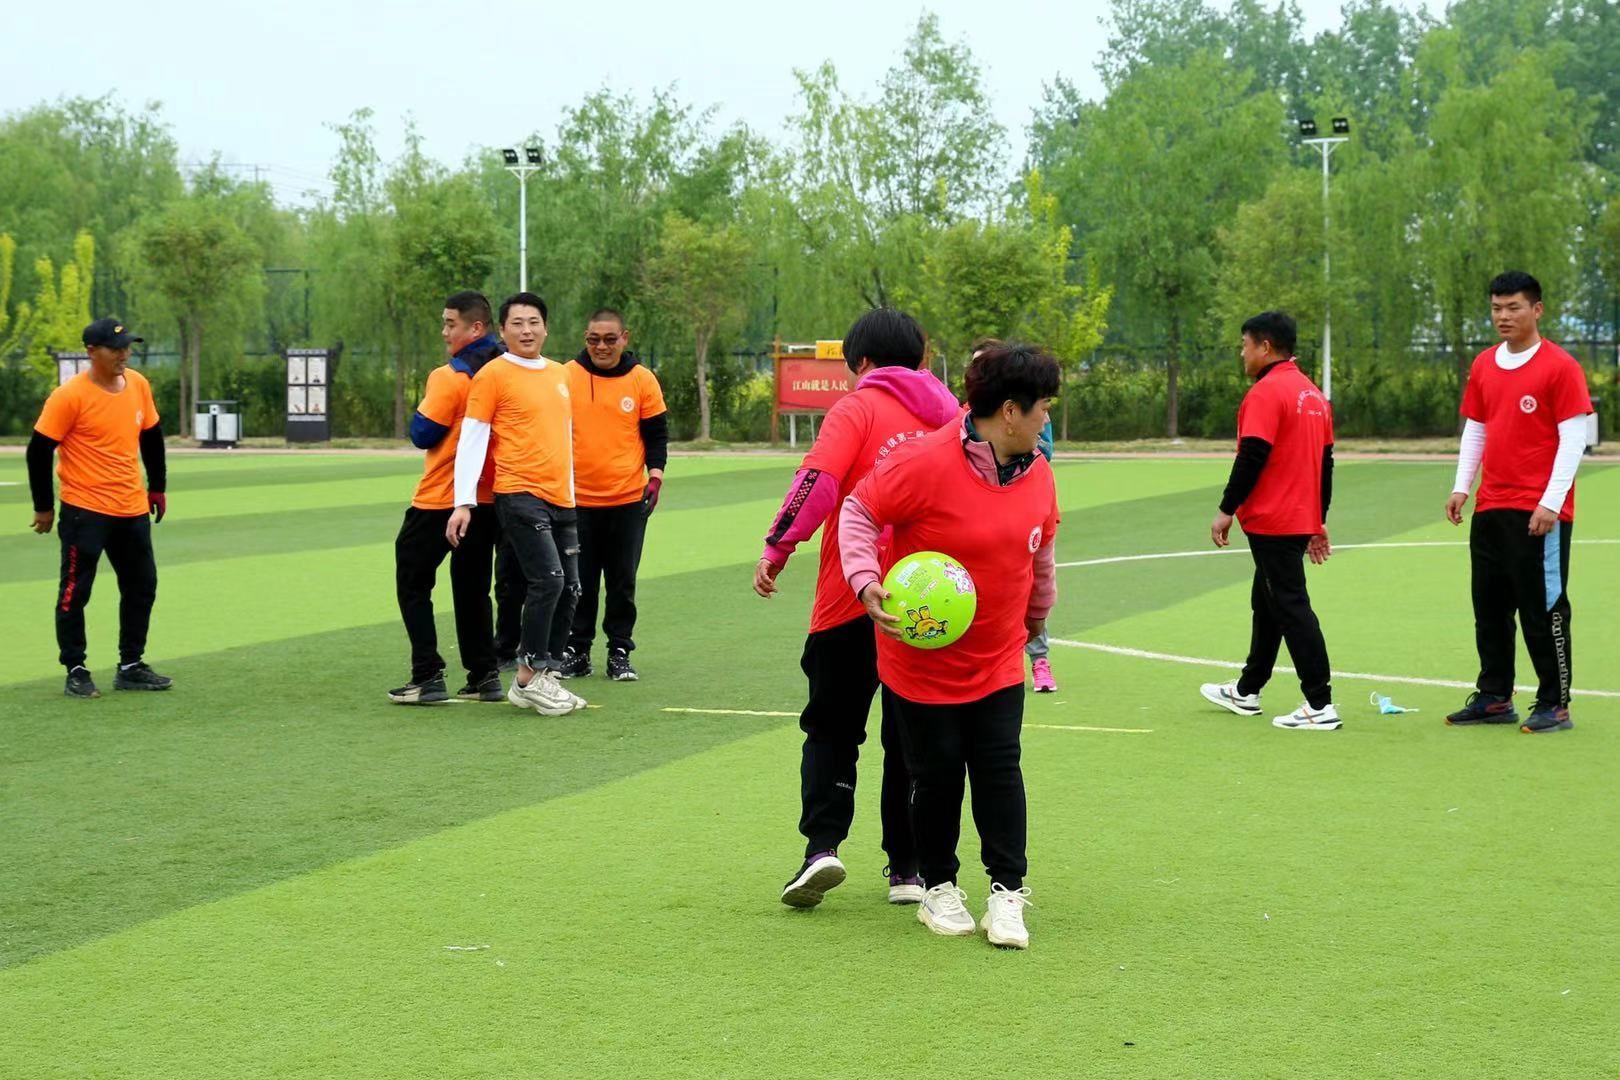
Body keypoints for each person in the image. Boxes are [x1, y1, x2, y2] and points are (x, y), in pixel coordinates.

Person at [840, 342, 1060, 950]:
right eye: (1042, 407)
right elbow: (858, 511)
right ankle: (938, 886)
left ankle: (1007, 893)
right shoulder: (923, 460)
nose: (1048, 418)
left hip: (998, 656)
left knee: (999, 769)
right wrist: (864, 578)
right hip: (921, 661)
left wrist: (1036, 618)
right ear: (1010, 411)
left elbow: (1041, 554)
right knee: (935, 775)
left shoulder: (1040, 472)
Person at [755, 308, 960, 910]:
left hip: (850, 596)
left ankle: (822, 847)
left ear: (862, 362)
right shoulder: (953, 417)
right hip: (927, 605)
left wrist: (779, 546)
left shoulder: (857, 408)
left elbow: (817, 481)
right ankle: (908, 868)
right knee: (911, 739)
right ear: (922, 360)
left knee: (832, 730)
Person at [1444, 271, 1593, 734]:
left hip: (1539, 511)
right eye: (1496, 308)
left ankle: (1554, 702)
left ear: (1536, 310)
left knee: (1543, 608)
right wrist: (1462, 486)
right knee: (1489, 607)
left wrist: (1551, 502)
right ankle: (1494, 696)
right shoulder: (1484, 364)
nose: (1503, 316)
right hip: (1491, 506)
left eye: (1513, 307)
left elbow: (1573, 439)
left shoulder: (1560, 366)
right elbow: (1477, 428)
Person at [447, 292, 584, 717]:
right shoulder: (492, 375)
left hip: (561, 497)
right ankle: (526, 677)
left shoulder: (560, 374)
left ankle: (547, 674)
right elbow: (472, 438)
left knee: (571, 587)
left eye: (534, 322)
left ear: (546, 328)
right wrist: (463, 502)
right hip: (520, 493)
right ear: (503, 330)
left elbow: (562, 438)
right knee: (548, 580)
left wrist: (572, 493)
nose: (527, 330)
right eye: (518, 323)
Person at [1200, 312, 1337, 730]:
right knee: (1268, 601)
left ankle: (1320, 703)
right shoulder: (1313, 394)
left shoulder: (1266, 392)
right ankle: (1248, 690)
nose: (1242, 353)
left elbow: (1252, 455)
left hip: (1273, 519)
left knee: (1290, 604)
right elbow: (1325, 463)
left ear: (1265, 346)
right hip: (1296, 516)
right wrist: (1318, 518)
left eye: (1245, 345)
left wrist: (1226, 509)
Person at [27, 318, 171, 698]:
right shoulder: (69, 396)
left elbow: (151, 436)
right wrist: (44, 507)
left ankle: (130, 665)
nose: (124, 354)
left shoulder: (138, 384)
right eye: (115, 348)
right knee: (75, 592)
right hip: (85, 510)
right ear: (92, 351)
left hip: (131, 508)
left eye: (127, 347)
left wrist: (157, 487)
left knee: (142, 585)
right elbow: (38, 451)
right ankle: (76, 668)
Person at [387, 291, 505, 705]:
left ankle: (427, 674)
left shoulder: (450, 376)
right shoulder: (505, 373)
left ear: (476, 328)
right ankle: (485, 674)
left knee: (413, 581)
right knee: (473, 588)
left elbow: (423, 433)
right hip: (487, 498)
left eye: (450, 323)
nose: (444, 332)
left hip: (442, 497)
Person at [557, 308, 669, 683]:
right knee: (580, 581)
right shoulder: (566, 376)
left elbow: (656, 435)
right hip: (577, 502)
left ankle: (619, 650)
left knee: (622, 581)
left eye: (609, 339)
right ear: (585, 339)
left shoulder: (642, 380)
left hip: (627, 501)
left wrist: (655, 477)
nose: (601, 347)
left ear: (625, 338)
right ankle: (577, 650)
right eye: (594, 339)